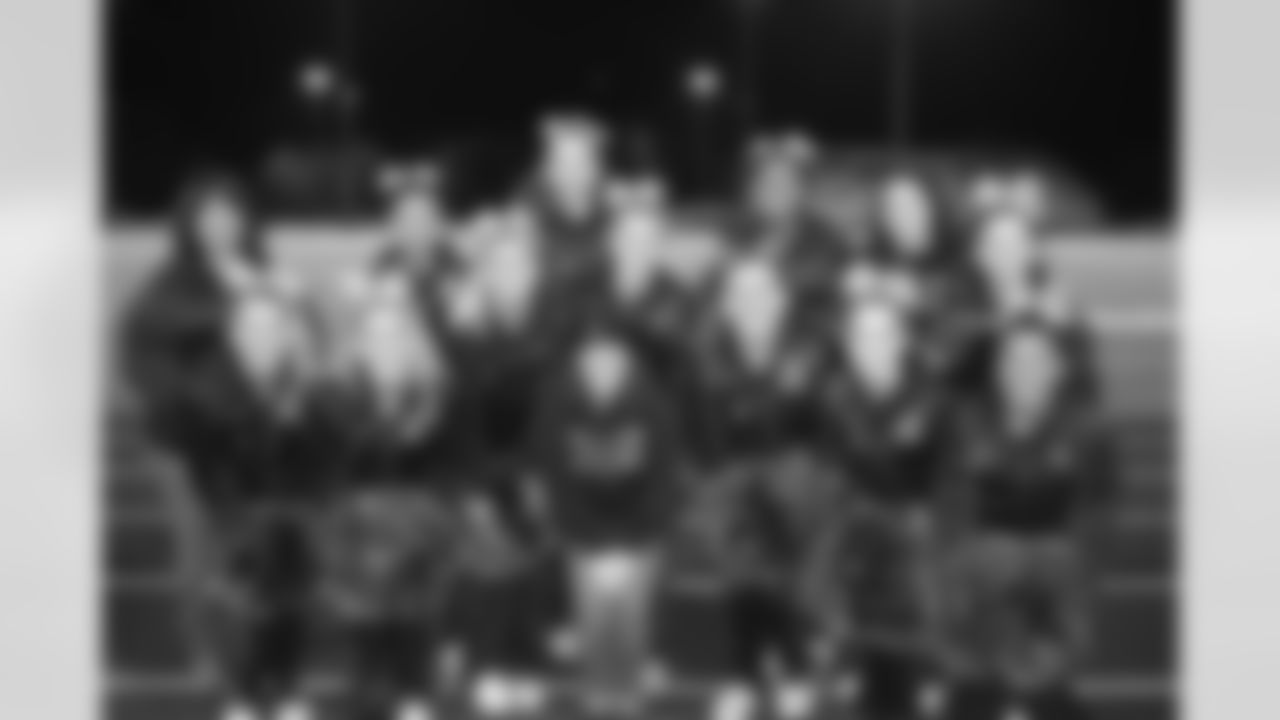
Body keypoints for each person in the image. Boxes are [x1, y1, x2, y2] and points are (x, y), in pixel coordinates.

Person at [121, 172, 331, 720]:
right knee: (209, 563)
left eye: (231, 215)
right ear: (190, 225)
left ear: (247, 221)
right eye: (208, 217)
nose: (221, 227)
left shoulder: (270, 275)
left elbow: (308, 345)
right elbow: (148, 352)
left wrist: (290, 306)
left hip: (270, 445)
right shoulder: (171, 285)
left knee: (281, 566)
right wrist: (235, 303)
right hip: (194, 446)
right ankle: (228, 682)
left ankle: (277, 681)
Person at [314, 172, 472, 720]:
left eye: (396, 332)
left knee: (416, 631)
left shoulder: (437, 396)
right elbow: (331, 477)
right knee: (364, 645)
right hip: (360, 544)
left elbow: (451, 473)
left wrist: (428, 522)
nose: (385, 342)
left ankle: (415, 692)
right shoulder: (337, 398)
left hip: (420, 543)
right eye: (374, 333)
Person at [942, 320, 1115, 720]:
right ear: (999, 371)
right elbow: (949, 517)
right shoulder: (968, 426)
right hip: (984, 591)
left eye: (1037, 360)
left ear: (1056, 369)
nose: (1025, 371)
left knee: (1047, 692)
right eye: (1015, 361)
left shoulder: (1087, 431)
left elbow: (1098, 523)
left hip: (1055, 587)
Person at [689, 256, 830, 720]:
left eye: (762, 292)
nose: (752, 303)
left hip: (796, 481)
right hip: (734, 483)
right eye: (741, 294)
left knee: (781, 562)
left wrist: (793, 475)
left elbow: (822, 426)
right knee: (741, 561)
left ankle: (792, 665)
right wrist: (727, 484)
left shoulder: (809, 352)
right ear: (728, 304)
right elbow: (704, 432)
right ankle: (746, 672)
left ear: (781, 300)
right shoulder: (709, 356)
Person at [806, 291, 958, 720]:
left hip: (913, 541)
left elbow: (951, 482)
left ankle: (916, 678)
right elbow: (828, 474)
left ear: (901, 339)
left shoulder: (933, 400)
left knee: (902, 664)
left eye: (883, 335)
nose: (872, 347)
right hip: (856, 538)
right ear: (849, 345)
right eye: (862, 337)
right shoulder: (832, 399)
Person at [525, 329, 689, 716]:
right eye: (592, 363)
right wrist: (588, 539)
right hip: (583, 540)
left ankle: (628, 699)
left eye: (612, 361)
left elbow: (663, 480)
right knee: (593, 627)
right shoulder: (555, 406)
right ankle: (598, 698)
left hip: (639, 541)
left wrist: (630, 542)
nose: (602, 370)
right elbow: (552, 476)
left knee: (632, 629)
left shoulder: (656, 407)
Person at [728, 132, 851, 334]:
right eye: (764, 182)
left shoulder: (825, 241)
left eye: (783, 183)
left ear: (800, 190)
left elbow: (830, 297)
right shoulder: (739, 234)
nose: (772, 191)